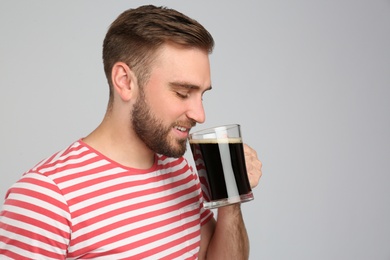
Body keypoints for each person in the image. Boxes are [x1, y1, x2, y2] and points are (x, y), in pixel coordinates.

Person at [0, 5, 262, 260]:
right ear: (125, 81)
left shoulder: (179, 169)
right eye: (182, 92)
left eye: (201, 95)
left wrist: (230, 199)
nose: (200, 114)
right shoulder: (45, 198)